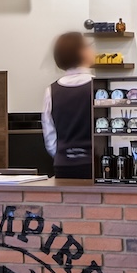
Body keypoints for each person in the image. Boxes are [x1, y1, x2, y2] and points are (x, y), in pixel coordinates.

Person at [43, 30, 95, 180]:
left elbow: (49, 134)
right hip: (94, 164)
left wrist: (61, 154)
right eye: (89, 46)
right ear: (82, 52)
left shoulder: (51, 90)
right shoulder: (98, 86)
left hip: (63, 165)